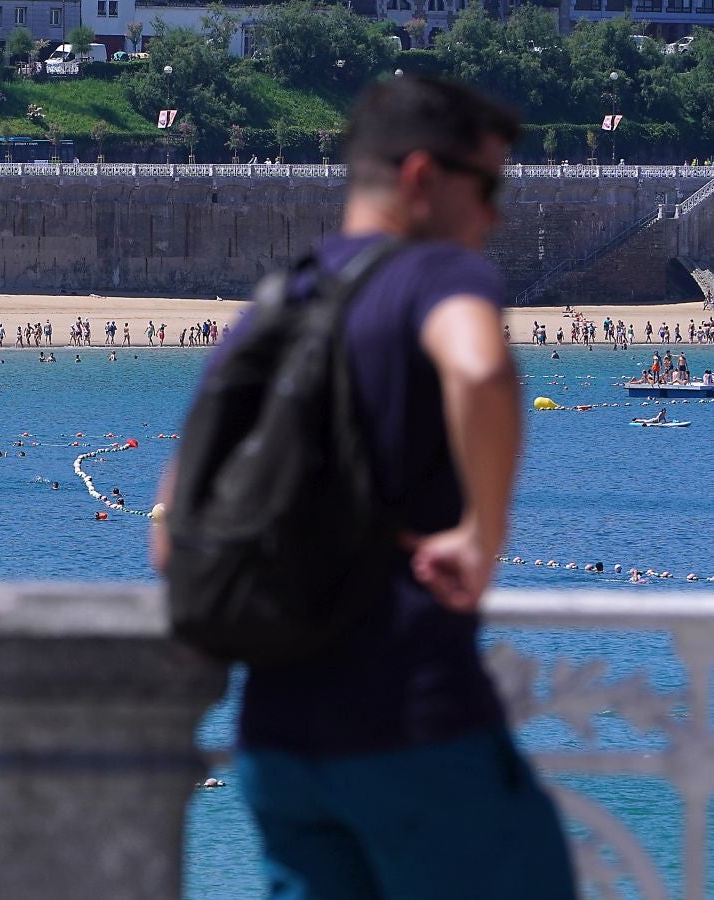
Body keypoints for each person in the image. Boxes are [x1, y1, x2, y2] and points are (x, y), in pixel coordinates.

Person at [153, 76, 573, 900]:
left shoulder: (278, 303)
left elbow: (173, 527)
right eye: (487, 188)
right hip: (411, 725)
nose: (494, 216)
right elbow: (481, 368)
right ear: (422, 178)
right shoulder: (434, 276)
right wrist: (483, 535)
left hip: (277, 745)